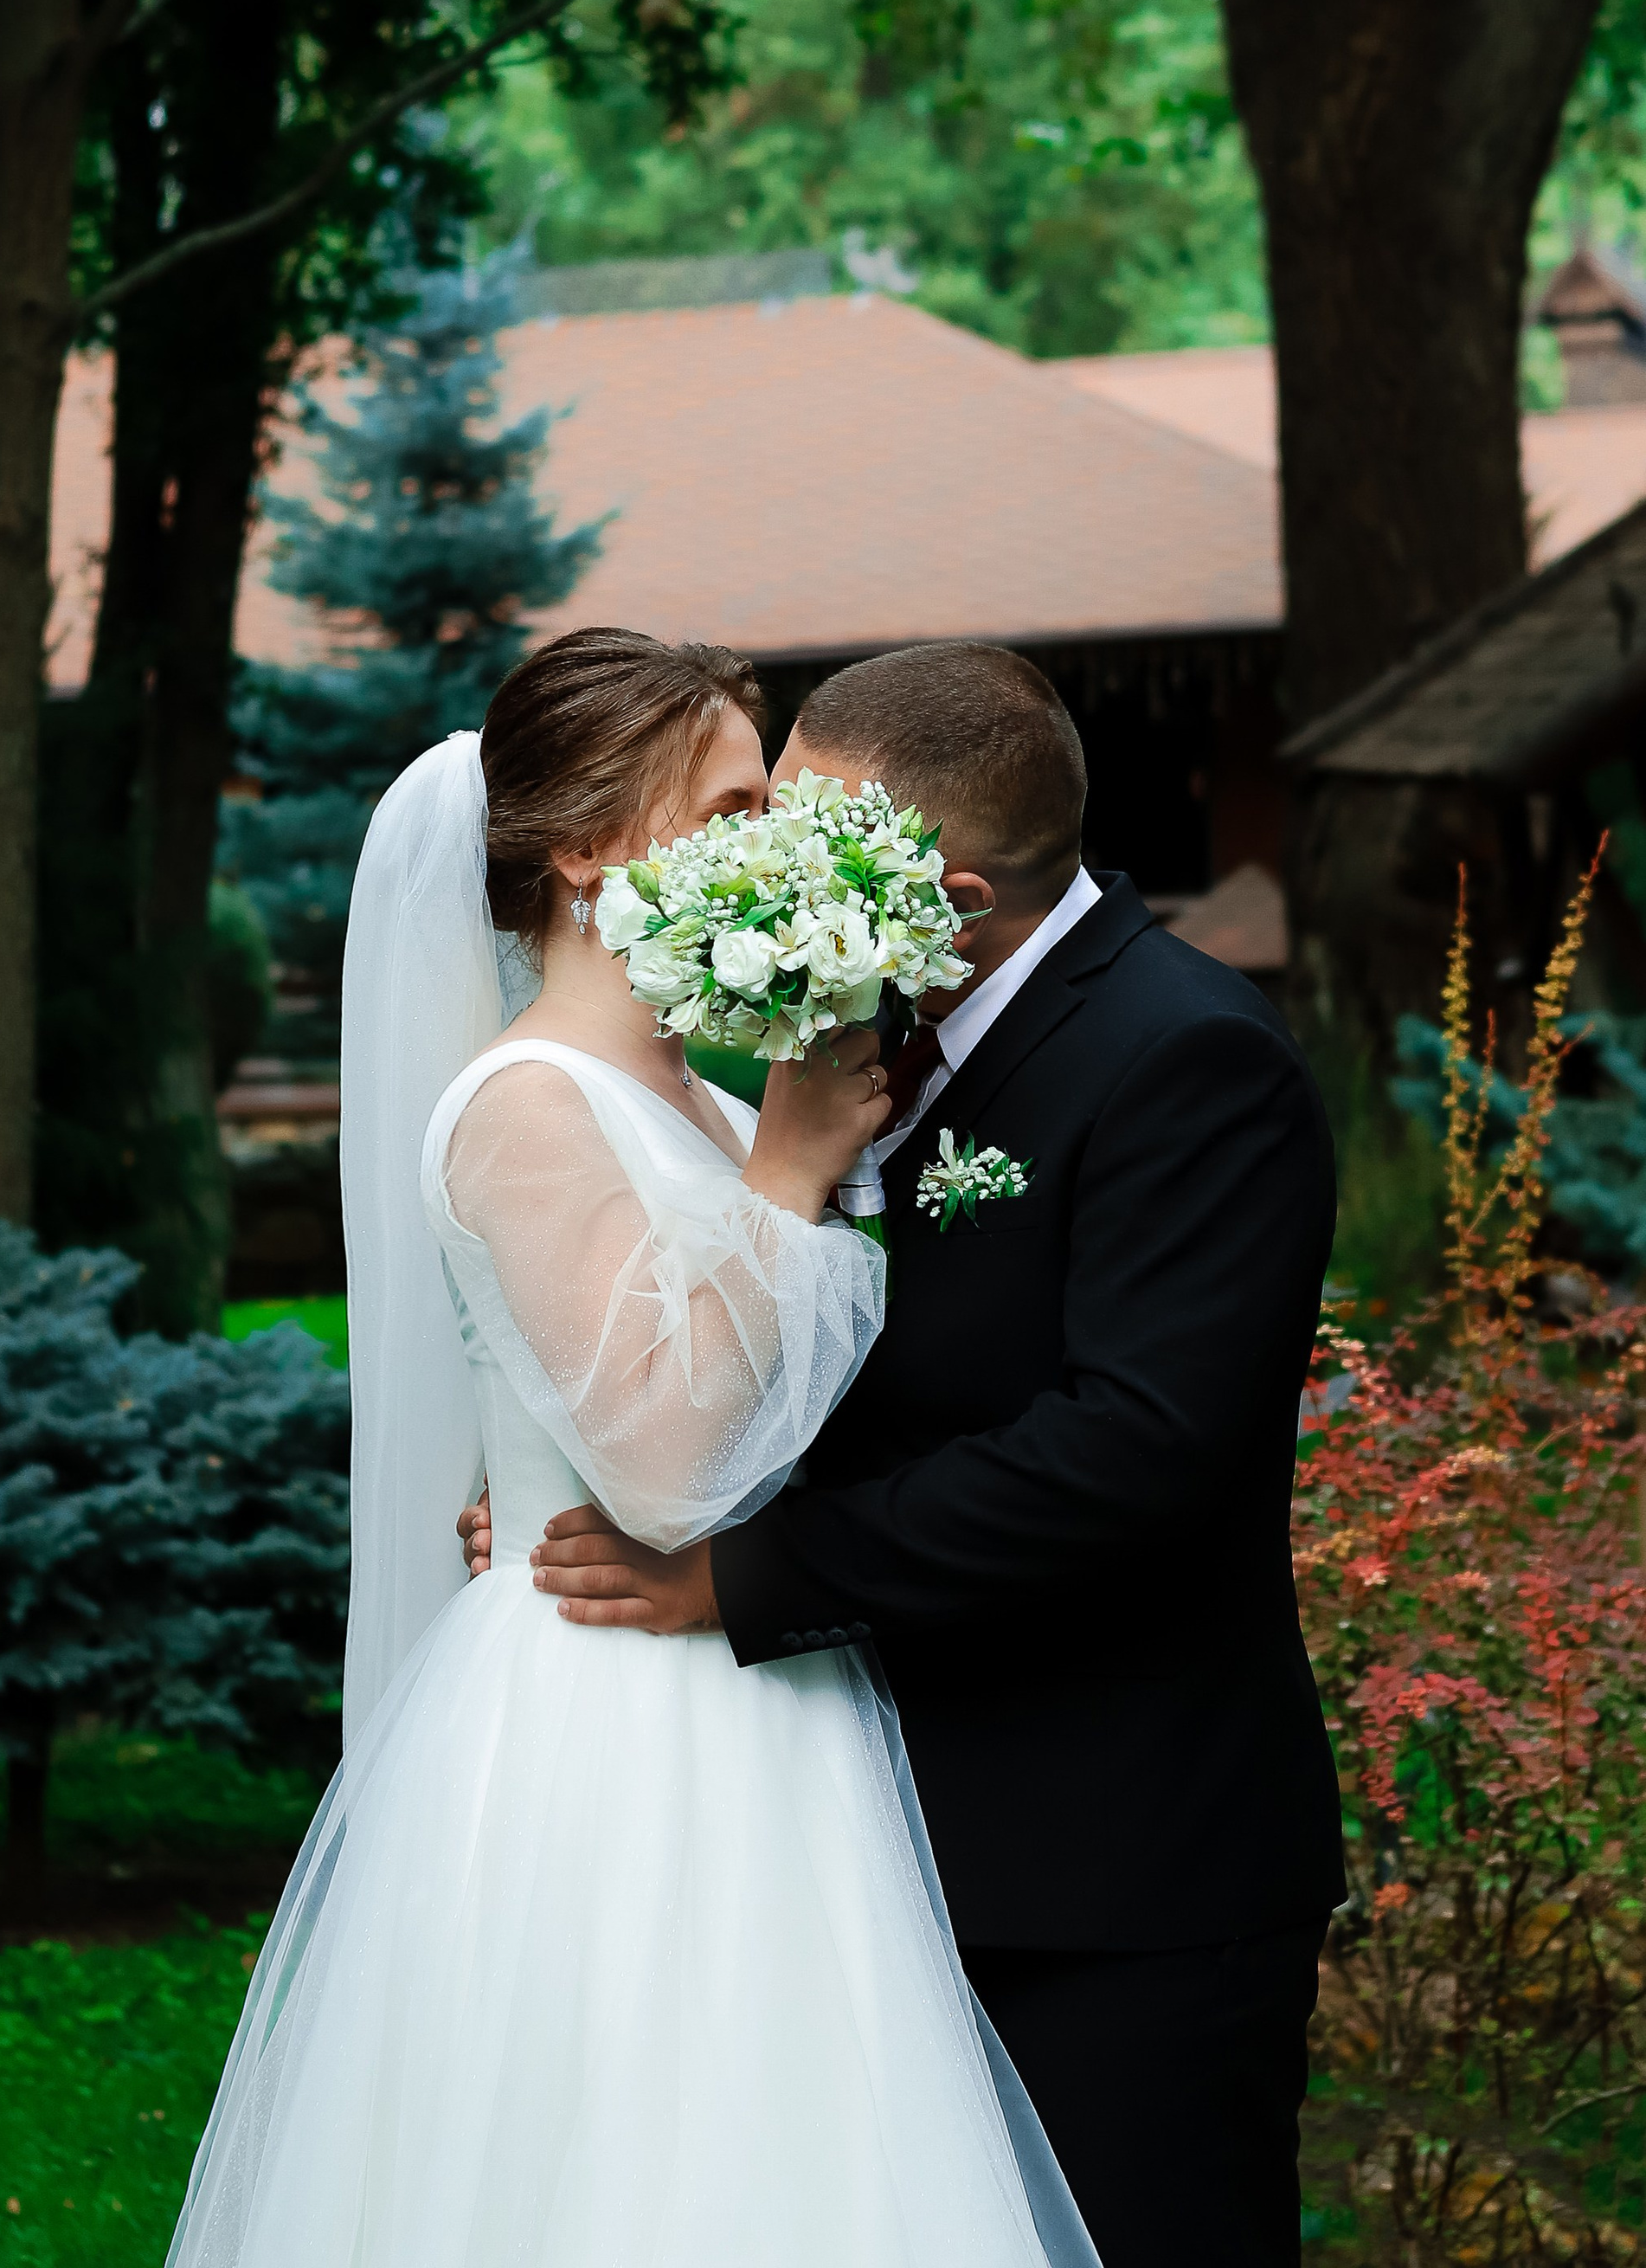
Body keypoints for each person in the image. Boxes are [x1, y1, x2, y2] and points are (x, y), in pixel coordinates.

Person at [165, 626, 1098, 2268]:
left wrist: (779, 1157)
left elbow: (762, 1408)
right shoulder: (526, 1104)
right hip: (610, 1726)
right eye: (734, 808)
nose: (780, 849)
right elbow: (665, 1465)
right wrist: (793, 1172)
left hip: (774, 1695)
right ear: (593, 855)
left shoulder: (723, 1105)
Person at [491, 641, 1345, 2268]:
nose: (755, 873)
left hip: (1115, 1872)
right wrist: (596, 1473)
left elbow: (1130, 1453)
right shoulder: (861, 1038)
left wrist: (738, 1569)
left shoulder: (1186, 1060)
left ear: (945, 896)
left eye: (800, 839)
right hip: (877, 1844)